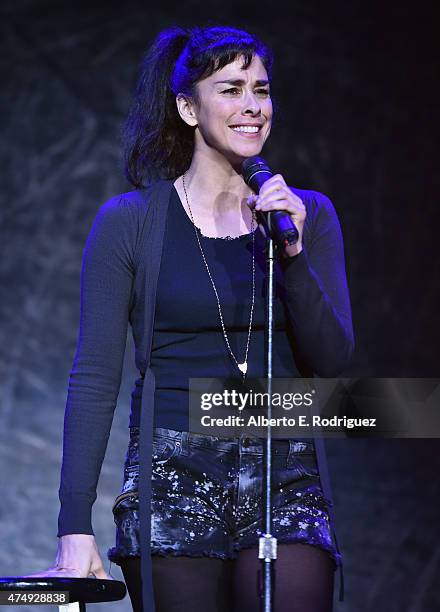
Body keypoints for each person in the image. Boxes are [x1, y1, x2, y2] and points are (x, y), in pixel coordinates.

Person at [28, 25, 354, 612]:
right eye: (230, 89)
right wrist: (73, 527)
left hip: (284, 469)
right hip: (173, 471)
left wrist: (295, 256)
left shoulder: (306, 215)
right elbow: (95, 376)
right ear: (187, 106)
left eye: (261, 88)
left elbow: (333, 364)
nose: (252, 106)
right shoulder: (131, 222)